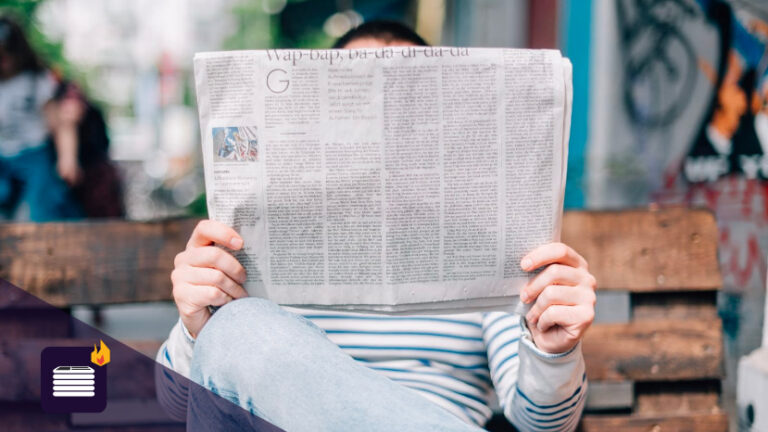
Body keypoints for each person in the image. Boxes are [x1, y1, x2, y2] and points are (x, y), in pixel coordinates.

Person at [158, 21, 596, 432]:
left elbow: (543, 425)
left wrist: (553, 351)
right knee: (238, 329)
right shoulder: (254, 243)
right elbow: (180, 408)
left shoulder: (491, 243)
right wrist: (198, 329)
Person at [0, 16, 83, 221]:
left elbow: (60, 123)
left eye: (7, 53)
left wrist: (67, 158)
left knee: (40, 207)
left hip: (34, 154)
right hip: (2, 157)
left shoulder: (36, 80)